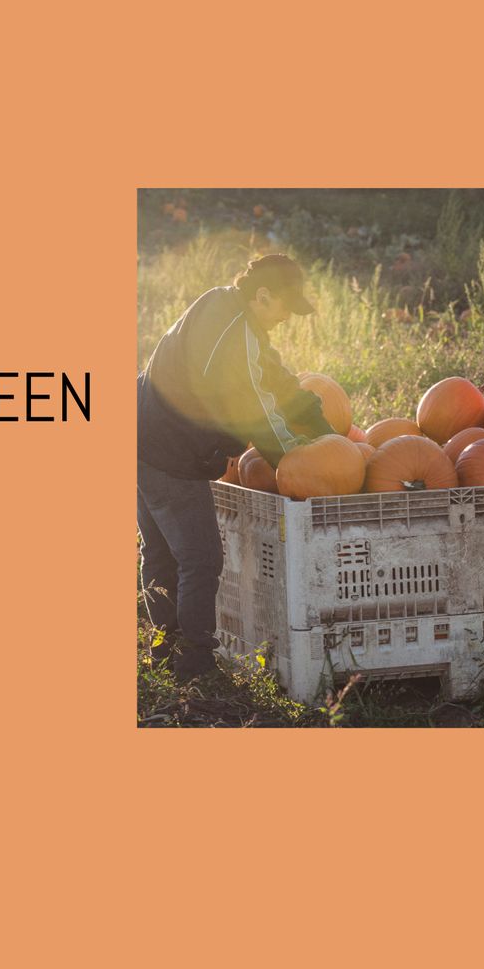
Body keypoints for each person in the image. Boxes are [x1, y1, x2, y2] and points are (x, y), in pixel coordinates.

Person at [137, 254, 336, 681]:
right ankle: (196, 659)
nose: (286, 317)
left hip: (142, 433)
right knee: (201, 558)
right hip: (169, 452)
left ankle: (164, 648)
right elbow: (256, 411)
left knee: (159, 552)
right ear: (263, 295)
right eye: (285, 306)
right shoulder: (235, 330)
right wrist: (298, 458)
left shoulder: (225, 306)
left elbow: (272, 376)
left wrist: (320, 425)